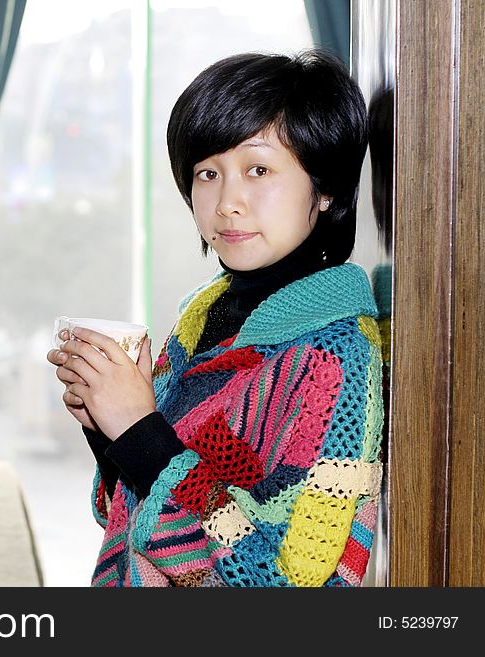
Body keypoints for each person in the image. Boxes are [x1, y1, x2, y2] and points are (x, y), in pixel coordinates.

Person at [46, 50, 383, 587]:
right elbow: (136, 517)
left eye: (258, 169)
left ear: (325, 190)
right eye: (208, 172)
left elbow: (281, 582)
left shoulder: (331, 359)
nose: (227, 201)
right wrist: (107, 429)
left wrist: (139, 431)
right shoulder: (201, 318)